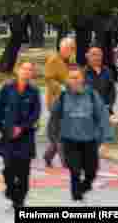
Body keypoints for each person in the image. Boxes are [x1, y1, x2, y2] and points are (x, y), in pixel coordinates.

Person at [50, 65, 114, 203]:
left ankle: (83, 187)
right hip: (69, 140)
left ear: (82, 79)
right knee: (75, 169)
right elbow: (54, 117)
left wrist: (106, 139)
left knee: (91, 171)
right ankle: (76, 197)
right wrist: (55, 138)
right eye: (71, 78)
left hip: (90, 140)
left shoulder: (92, 95)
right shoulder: (63, 97)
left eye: (77, 78)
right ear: (68, 80)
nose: (74, 81)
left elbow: (102, 116)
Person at [0, 60, 42, 210]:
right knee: (9, 169)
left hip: (26, 136)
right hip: (8, 135)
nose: (26, 72)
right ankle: (11, 191)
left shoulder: (34, 91)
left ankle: (19, 201)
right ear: (18, 70)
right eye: (24, 69)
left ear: (32, 73)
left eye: (29, 70)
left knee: (24, 171)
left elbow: (35, 114)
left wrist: (23, 127)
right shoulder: (8, 88)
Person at [44, 37, 75, 167]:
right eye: (71, 48)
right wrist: (61, 88)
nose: (73, 51)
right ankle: (66, 161)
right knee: (60, 131)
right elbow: (48, 79)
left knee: (60, 130)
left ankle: (48, 155)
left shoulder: (69, 61)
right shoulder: (53, 60)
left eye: (73, 48)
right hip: (56, 100)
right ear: (64, 48)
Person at [84, 47, 116, 115]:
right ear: (87, 56)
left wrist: (109, 105)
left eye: (99, 55)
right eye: (94, 55)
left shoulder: (107, 71)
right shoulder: (82, 73)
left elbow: (112, 91)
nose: (97, 57)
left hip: (105, 111)